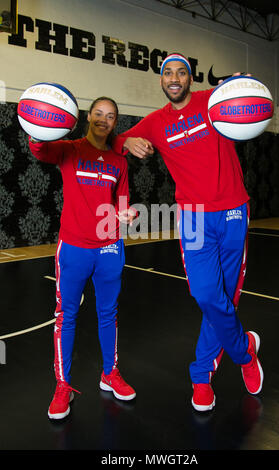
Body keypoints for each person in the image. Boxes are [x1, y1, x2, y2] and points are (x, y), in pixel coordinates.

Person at [112, 53, 264, 412]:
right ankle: (244, 352)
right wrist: (125, 143)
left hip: (231, 211)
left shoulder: (212, 101)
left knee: (226, 294)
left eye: (181, 72)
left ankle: (200, 376)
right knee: (206, 294)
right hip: (193, 216)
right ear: (161, 81)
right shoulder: (153, 123)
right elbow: (109, 140)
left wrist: (244, 84)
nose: (175, 77)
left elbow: (240, 92)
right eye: (168, 73)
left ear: (190, 78)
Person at [29, 97, 137, 420]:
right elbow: (38, 149)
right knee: (67, 316)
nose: (104, 120)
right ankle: (63, 386)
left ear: (116, 122)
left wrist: (125, 214)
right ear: (89, 116)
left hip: (109, 248)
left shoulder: (119, 161)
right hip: (74, 248)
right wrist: (36, 129)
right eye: (99, 114)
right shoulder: (69, 149)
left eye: (111, 116)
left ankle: (109, 373)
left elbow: (120, 203)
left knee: (109, 313)